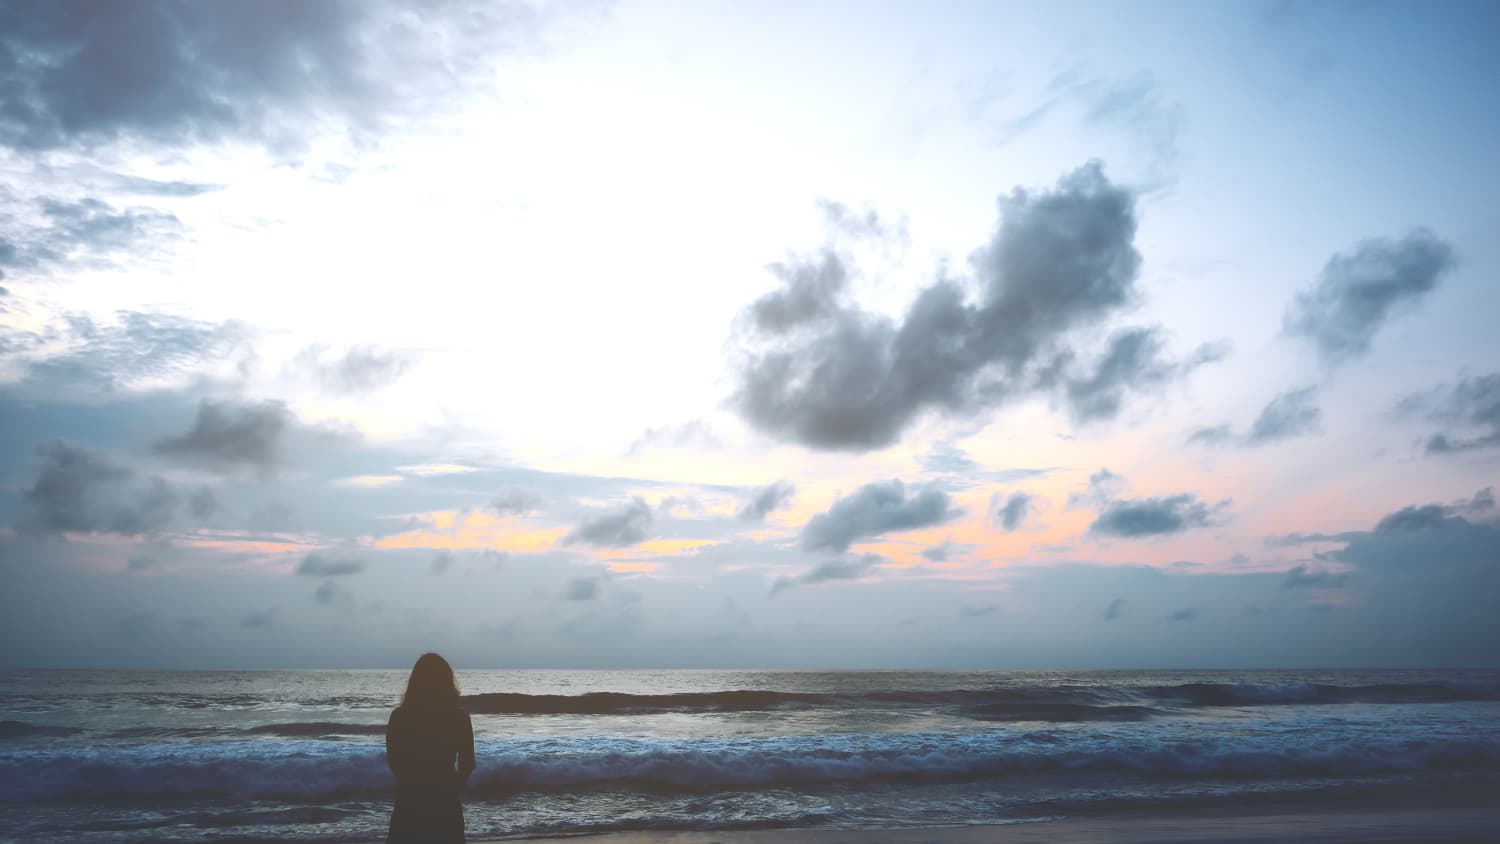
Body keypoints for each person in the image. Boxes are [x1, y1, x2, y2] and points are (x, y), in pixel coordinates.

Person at [386, 652, 476, 843]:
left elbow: (394, 762)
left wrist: (412, 785)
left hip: (409, 804)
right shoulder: (460, 719)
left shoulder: (399, 717)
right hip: (445, 805)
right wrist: (450, 789)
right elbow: (468, 765)